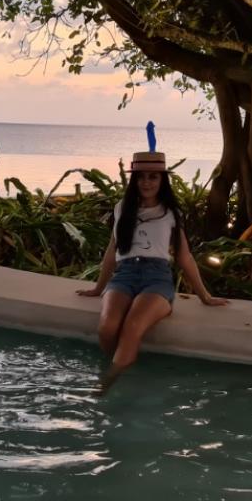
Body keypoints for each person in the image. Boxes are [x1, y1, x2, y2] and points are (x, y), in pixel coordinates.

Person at [77, 150, 228, 390]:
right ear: (134, 180)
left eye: (153, 177)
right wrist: (98, 288)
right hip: (124, 275)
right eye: (141, 177)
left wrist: (205, 296)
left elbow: (184, 256)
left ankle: (107, 384)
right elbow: (112, 250)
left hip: (156, 278)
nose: (146, 182)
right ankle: (123, 369)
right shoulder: (122, 208)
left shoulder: (171, 212)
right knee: (107, 328)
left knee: (132, 326)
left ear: (162, 180)